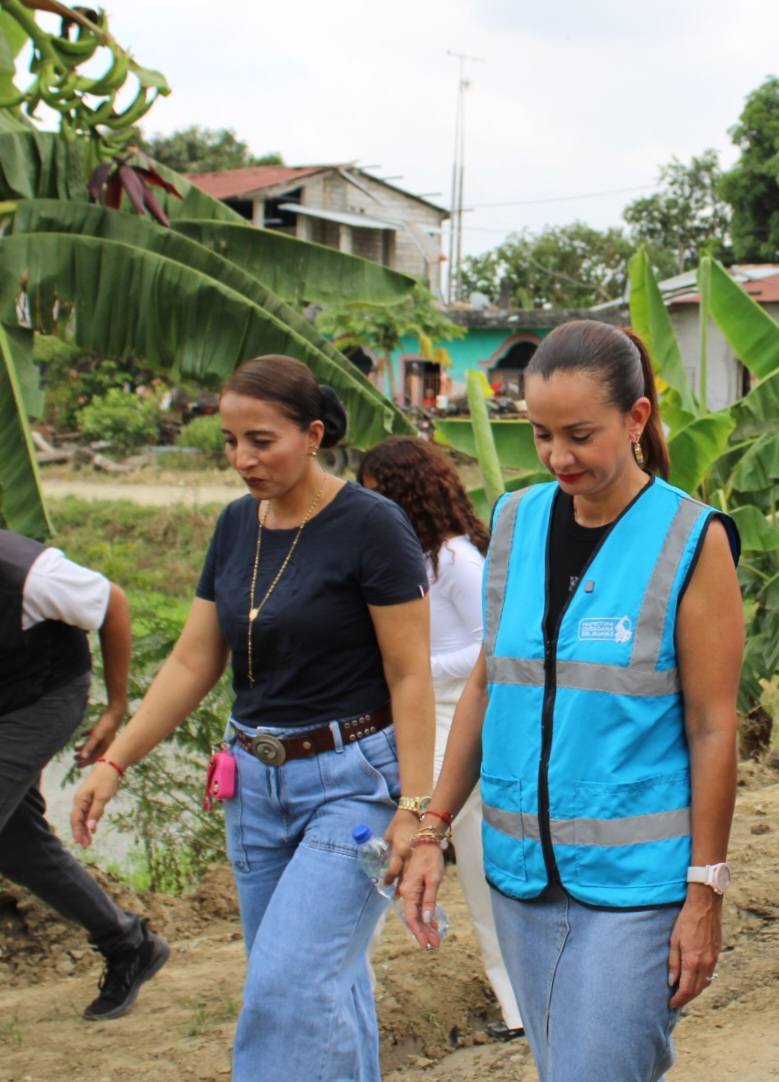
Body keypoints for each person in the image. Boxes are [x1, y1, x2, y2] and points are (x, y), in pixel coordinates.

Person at [395, 320, 743, 1082]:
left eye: (579, 436)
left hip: (636, 887)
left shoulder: (690, 539)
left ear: (636, 418)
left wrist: (705, 890)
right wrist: (430, 828)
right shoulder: (515, 521)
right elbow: (489, 682)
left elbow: (713, 727)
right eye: (542, 435)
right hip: (520, 877)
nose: (558, 457)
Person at [72, 356, 435, 1082]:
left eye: (261, 441)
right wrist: (116, 760)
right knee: (321, 984)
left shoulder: (372, 525)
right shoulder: (238, 523)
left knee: (286, 986)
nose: (243, 459)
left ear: (313, 435)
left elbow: (410, 674)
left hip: (353, 787)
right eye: (231, 442)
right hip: (253, 788)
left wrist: (417, 812)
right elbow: (192, 660)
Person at [355, 436, 523, 1042]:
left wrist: (414, 668)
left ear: (410, 494)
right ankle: (518, 1004)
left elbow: (489, 648)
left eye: (380, 496)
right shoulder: (408, 560)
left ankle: (343, 979)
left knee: (408, 846)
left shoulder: (454, 559)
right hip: (425, 714)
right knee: (470, 868)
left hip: (456, 717)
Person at [1, 530, 167, 1021]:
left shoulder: (24, 572)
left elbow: (111, 601)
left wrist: (116, 708)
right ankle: (128, 944)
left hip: (44, 697)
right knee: (16, 841)